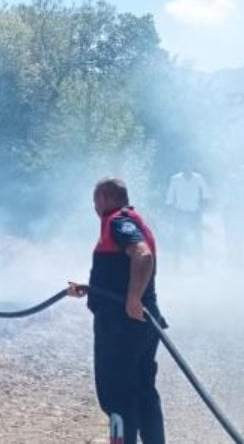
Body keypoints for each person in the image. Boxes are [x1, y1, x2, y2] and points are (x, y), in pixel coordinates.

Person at [69, 178, 166, 444]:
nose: (94, 206)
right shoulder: (131, 219)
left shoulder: (117, 222)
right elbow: (120, 270)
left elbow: (142, 255)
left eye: (94, 200)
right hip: (142, 323)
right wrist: (89, 288)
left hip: (122, 327)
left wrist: (133, 298)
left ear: (103, 198)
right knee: (143, 391)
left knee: (117, 396)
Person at [164, 168, 209, 271]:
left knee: (198, 238)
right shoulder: (175, 179)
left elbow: (206, 194)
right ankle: (177, 265)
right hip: (180, 212)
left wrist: (201, 208)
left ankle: (200, 264)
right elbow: (170, 195)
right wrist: (172, 209)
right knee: (178, 239)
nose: (187, 170)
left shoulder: (198, 178)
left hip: (195, 212)